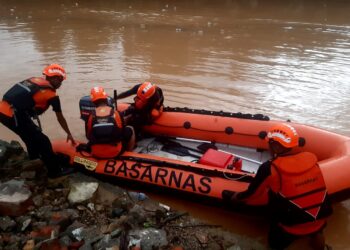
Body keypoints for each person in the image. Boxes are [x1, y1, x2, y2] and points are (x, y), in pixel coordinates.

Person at [226, 123, 333, 250]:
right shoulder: (311, 161)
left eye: (269, 144)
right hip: (320, 220)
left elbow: (253, 194)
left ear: (275, 146)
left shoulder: (270, 168)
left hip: (291, 227)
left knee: (274, 242)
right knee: (316, 231)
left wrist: (235, 196)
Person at [0, 64, 76, 178]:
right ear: (54, 78)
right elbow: (60, 118)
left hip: (4, 111)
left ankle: (34, 161)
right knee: (43, 141)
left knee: (29, 137)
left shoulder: (33, 80)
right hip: (13, 115)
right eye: (60, 80)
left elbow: (24, 98)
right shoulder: (52, 95)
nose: (60, 83)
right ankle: (55, 171)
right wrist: (69, 133)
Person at [78, 86, 135, 158]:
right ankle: (130, 154)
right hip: (115, 152)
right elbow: (122, 132)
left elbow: (88, 136)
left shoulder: (91, 116)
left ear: (93, 102)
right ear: (106, 99)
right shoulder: (116, 113)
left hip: (96, 153)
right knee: (130, 129)